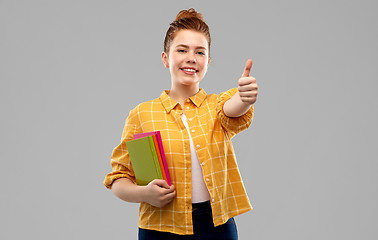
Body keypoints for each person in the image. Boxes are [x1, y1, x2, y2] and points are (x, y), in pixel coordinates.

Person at [104, 8, 258, 240]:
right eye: (182, 50)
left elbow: (232, 108)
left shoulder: (216, 106)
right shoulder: (142, 115)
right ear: (165, 58)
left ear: (208, 61)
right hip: (160, 226)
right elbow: (118, 179)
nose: (191, 58)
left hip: (216, 225)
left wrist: (244, 96)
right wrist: (145, 193)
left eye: (200, 52)